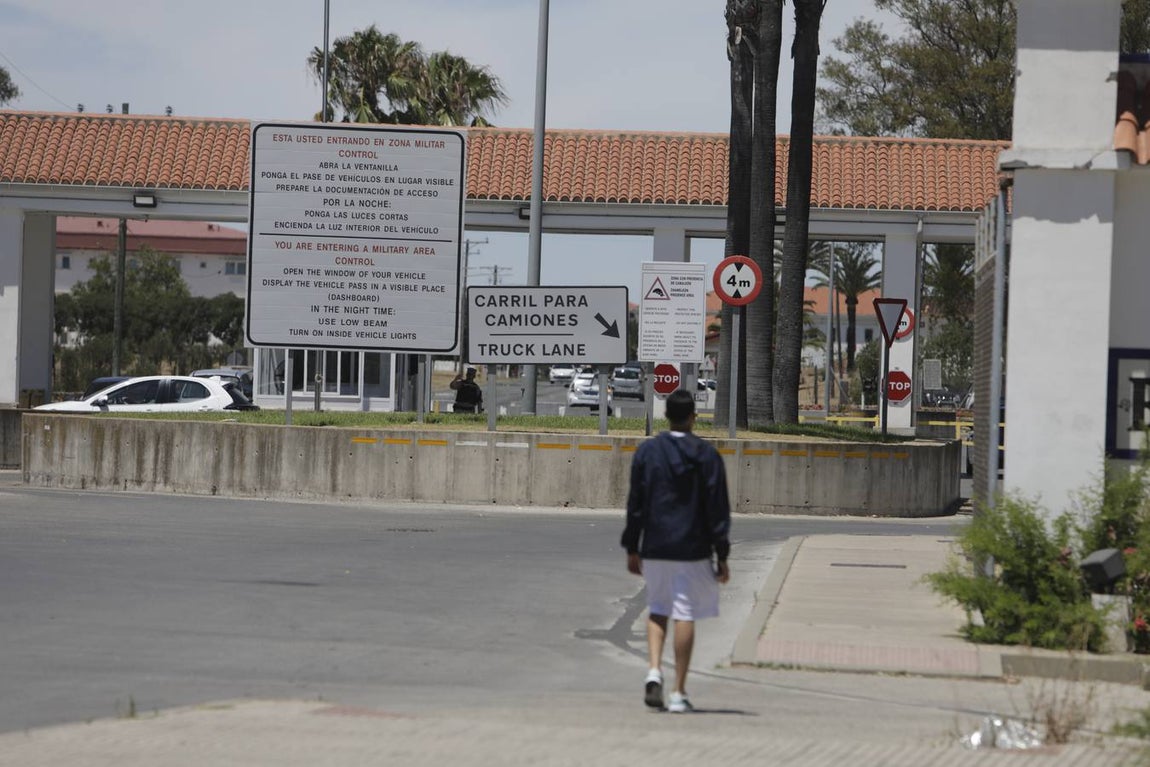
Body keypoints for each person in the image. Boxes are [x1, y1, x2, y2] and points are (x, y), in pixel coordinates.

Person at [621, 388, 731, 713]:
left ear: (666, 415)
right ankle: (679, 691)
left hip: (655, 545)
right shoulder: (707, 455)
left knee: (657, 609)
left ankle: (653, 670)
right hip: (693, 548)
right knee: (685, 613)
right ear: (693, 417)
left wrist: (632, 545)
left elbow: (635, 504)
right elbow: (717, 508)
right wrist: (721, 554)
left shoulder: (648, 452)